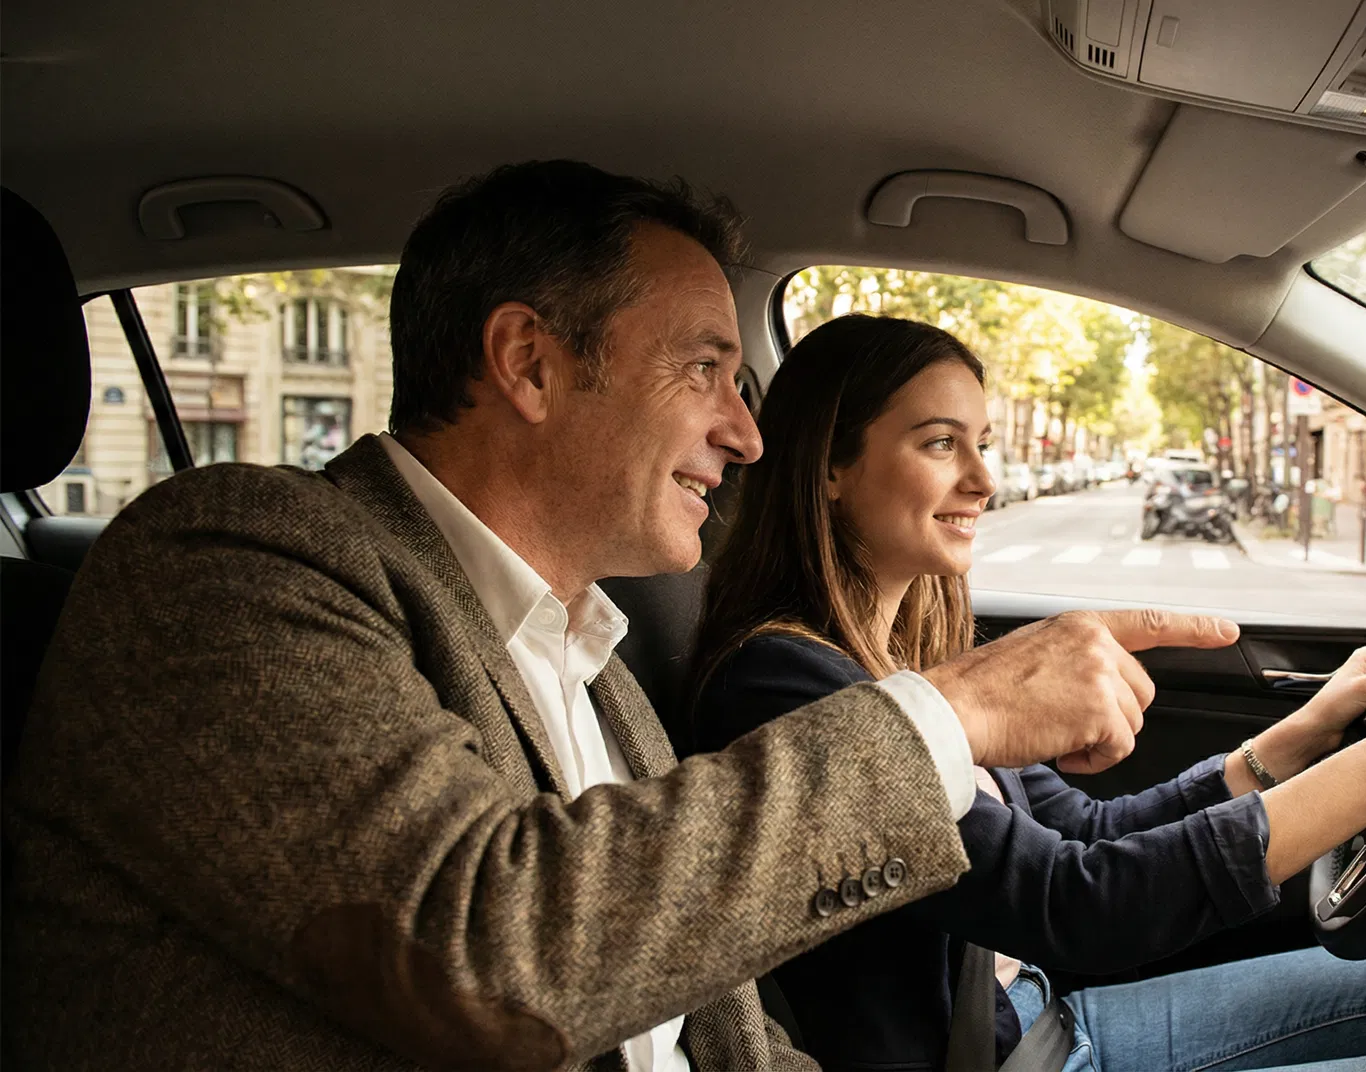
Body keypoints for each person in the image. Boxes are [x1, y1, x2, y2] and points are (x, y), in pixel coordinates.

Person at [2, 163, 1240, 1070]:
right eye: (704, 368)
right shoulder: (230, 561)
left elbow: (733, 1038)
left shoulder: (597, 672)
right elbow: (487, 955)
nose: (747, 431)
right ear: (530, 363)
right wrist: (953, 708)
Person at [690, 315, 1366, 1072]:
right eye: (938, 443)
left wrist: (1299, 736)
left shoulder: (916, 658)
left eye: (982, 444)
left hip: (1037, 1021)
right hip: (1000, 1057)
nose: (984, 481)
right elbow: (1076, 901)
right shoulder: (787, 683)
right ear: (830, 467)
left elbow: (1081, 832)